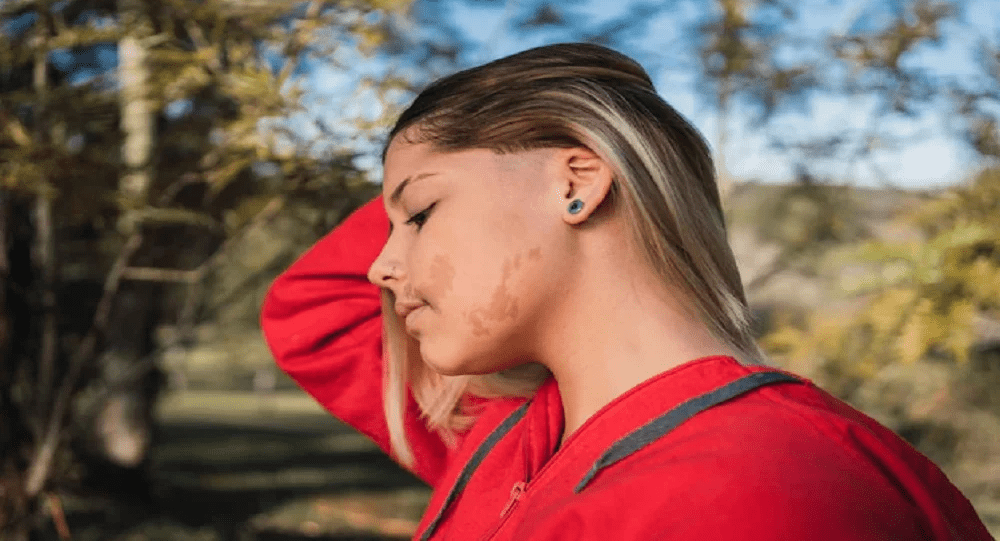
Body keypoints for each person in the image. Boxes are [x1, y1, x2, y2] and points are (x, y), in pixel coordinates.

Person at [260, 43, 993, 540]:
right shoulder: (513, 431)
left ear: (577, 184)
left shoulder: (753, 492)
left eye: (421, 214)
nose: (379, 268)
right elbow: (316, 311)